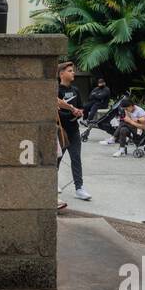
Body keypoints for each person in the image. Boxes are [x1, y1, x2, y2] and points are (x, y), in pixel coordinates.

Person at [56, 60, 92, 201]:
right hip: (61, 131)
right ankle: (53, 183)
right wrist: (72, 112)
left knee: (76, 159)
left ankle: (79, 188)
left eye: (73, 70)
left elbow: (81, 107)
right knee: (57, 159)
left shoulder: (76, 90)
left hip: (74, 130)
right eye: (70, 71)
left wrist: (79, 112)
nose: (73, 73)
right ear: (61, 74)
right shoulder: (57, 90)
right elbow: (57, 111)